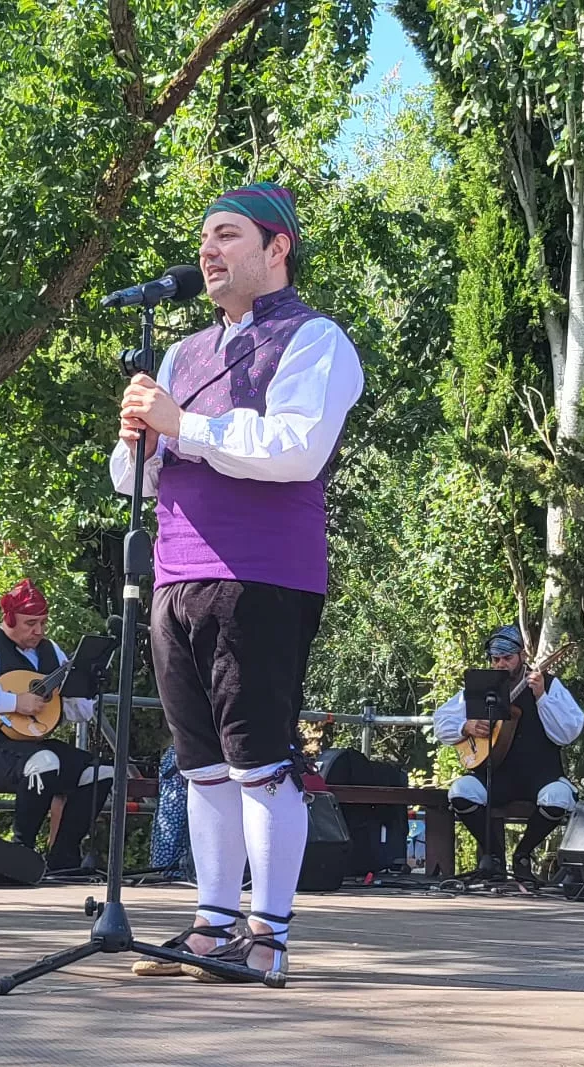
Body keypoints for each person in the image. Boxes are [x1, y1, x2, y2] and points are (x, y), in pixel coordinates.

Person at [111, 181, 363, 983]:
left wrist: (184, 426)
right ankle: (212, 924)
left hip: (261, 574)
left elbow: (295, 448)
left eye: (226, 235)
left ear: (277, 246)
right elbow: (132, 482)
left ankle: (269, 934)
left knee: (261, 760)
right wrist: (136, 440)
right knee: (202, 766)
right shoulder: (181, 353)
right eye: (203, 240)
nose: (208, 252)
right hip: (174, 574)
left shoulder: (315, 339)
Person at [0, 580, 111, 873]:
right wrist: (13, 701)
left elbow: (76, 712)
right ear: (9, 619)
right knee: (44, 763)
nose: (38, 631)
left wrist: (82, 691)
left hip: (30, 743)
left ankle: (63, 859)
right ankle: (21, 853)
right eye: (30, 623)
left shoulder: (51, 652)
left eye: (43, 623)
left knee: (100, 772)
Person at [430, 624, 584, 883]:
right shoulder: (482, 686)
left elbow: (568, 732)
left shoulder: (548, 685)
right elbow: (441, 721)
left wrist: (542, 698)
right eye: (496, 659)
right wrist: (465, 726)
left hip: (540, 775)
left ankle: (523, 854)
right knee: (460, 792)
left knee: (559, 797)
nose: (501, 664)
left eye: (507, 658)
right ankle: (494, 856)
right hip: (495, 775)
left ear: (522, 657)